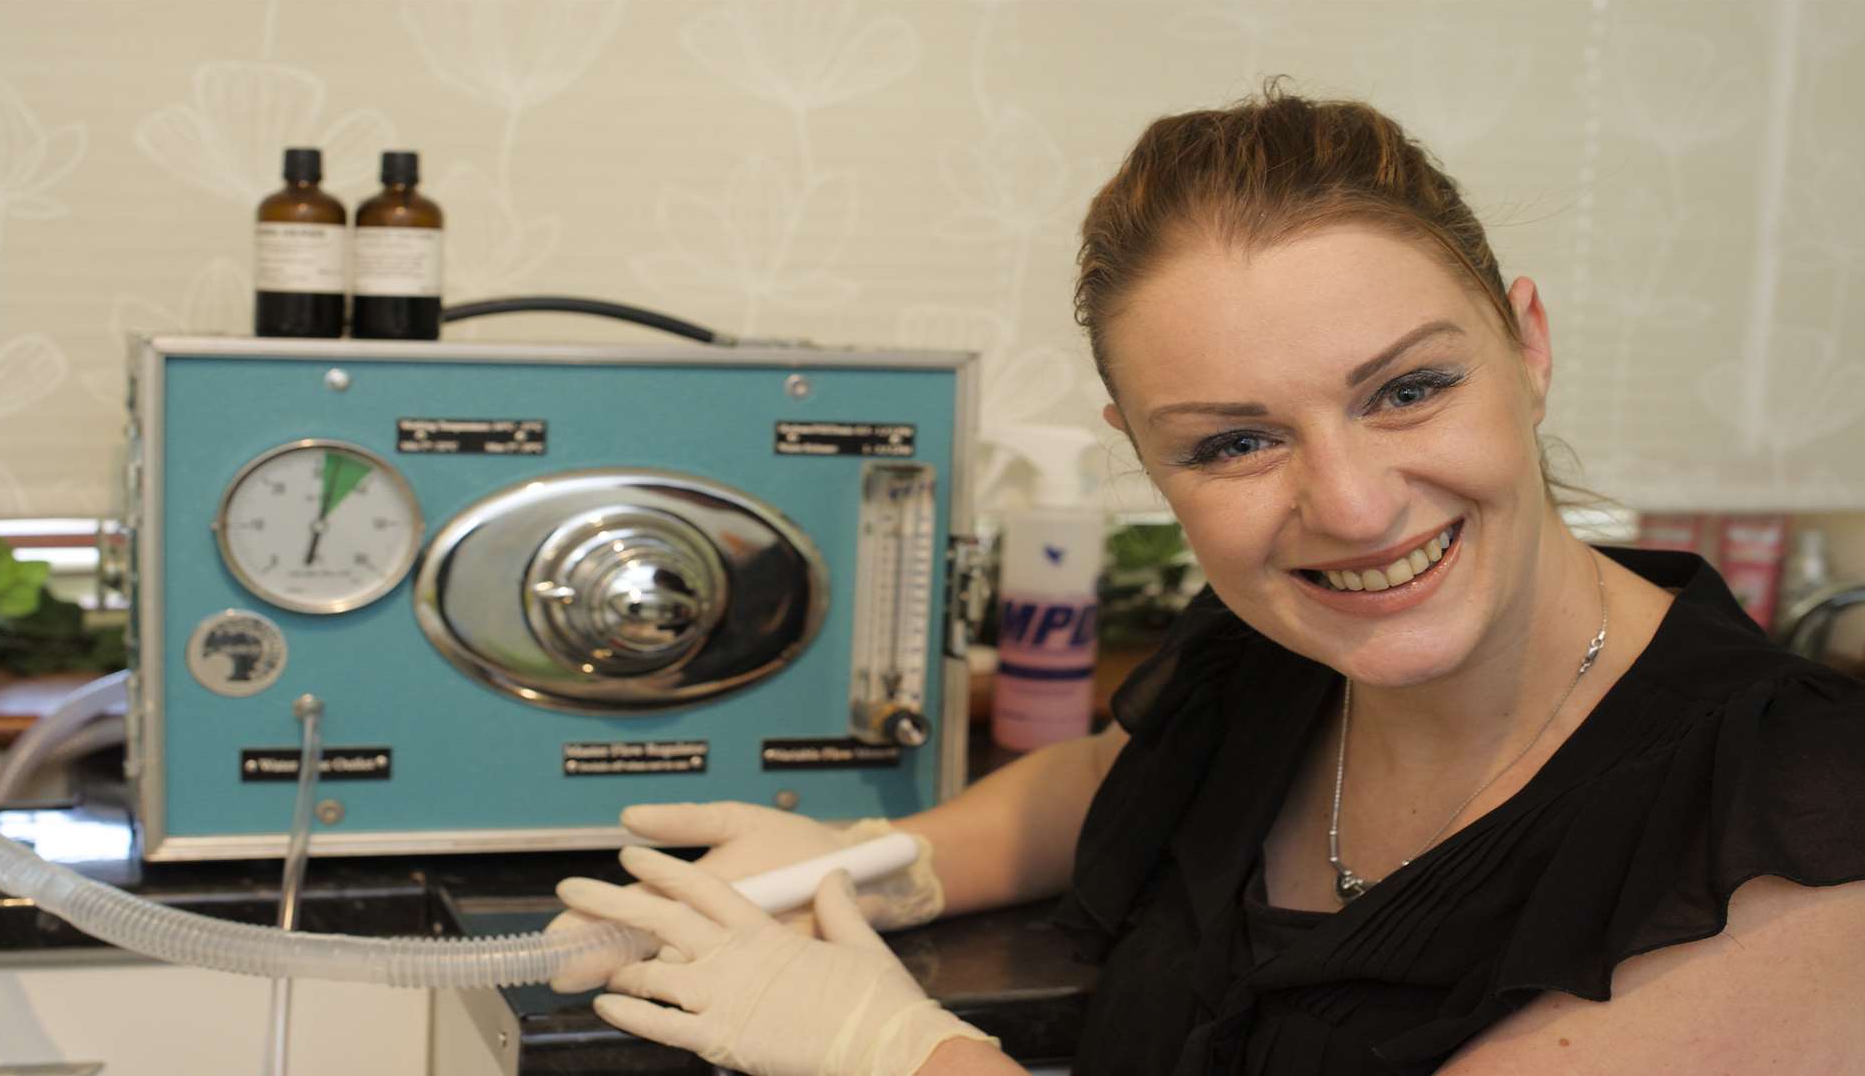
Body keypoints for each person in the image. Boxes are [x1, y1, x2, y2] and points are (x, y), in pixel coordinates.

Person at [547, 84, 1865, 1075]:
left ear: (1527, 346)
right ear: (1147, 458)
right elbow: (1114, 775)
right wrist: (888, 861)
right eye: (1234, 442)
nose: (1349, 507)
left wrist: (902, 1052)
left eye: (1408, 390)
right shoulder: (1277, 665)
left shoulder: (1792, 827)